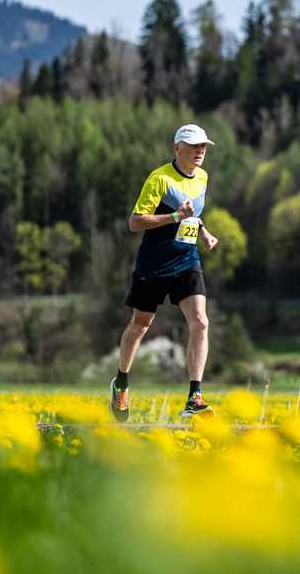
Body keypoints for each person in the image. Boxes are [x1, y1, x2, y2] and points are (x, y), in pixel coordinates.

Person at [109, 124, 220, 422]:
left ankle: (194, 398)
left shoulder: (203, 177)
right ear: (177, 148)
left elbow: (194, 214)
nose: (200, 151)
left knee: (200, 322)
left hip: (187, 260)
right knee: (140, 326)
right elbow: (135, 222)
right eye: (194, 146)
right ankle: (121, 384)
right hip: (155, 264)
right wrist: (173, 216)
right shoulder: (159, 179)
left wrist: (204, 231)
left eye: (203, 146)